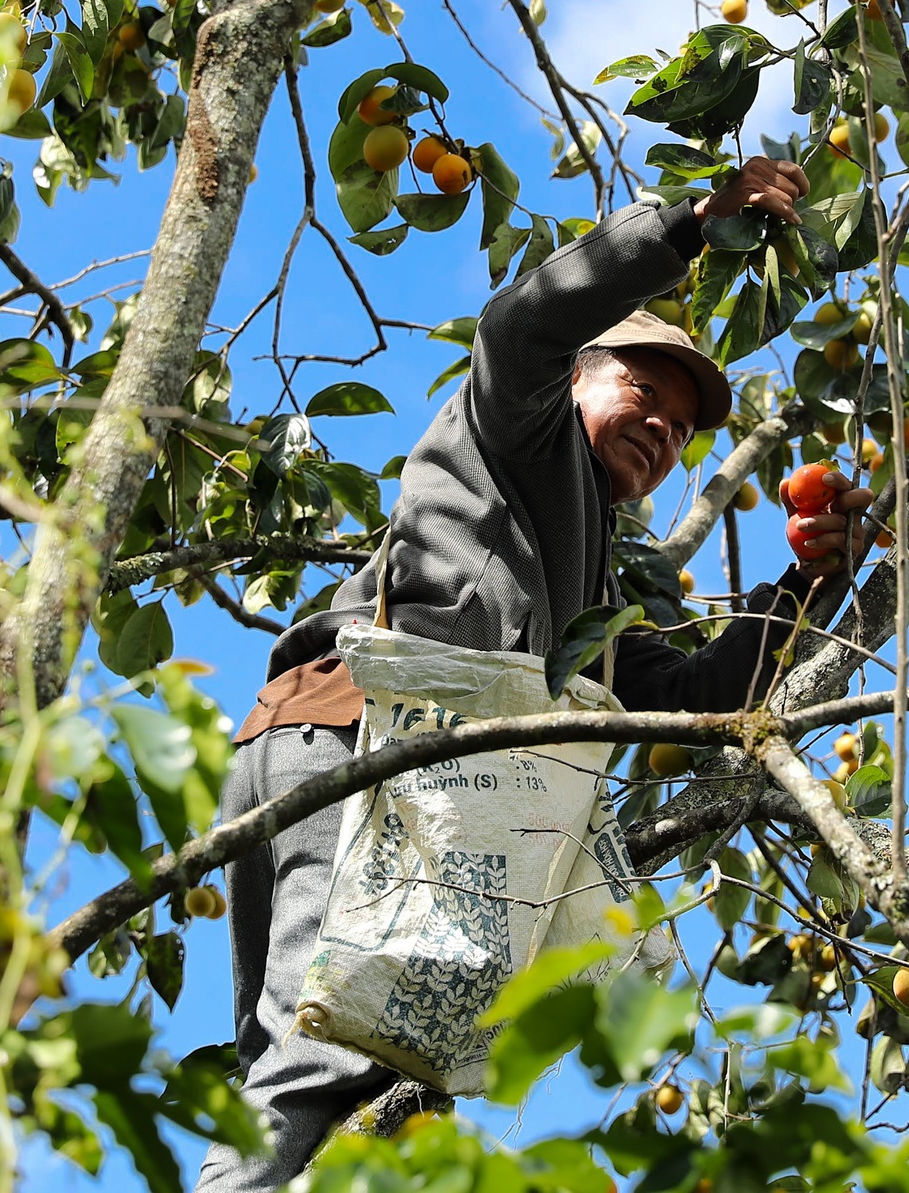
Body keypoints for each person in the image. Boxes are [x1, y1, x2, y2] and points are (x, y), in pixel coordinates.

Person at [196, 156, 872, 1190]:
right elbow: (522, 323)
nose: (661, 427)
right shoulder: (517, 425)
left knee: (361, 1072)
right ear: (577, 378)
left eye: (681, 429)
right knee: (323, 1069)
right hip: (353, 743)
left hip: (354, 761)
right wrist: (689, 224)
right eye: (644, 390)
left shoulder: (591, 577)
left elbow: (696, 694)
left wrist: (808, 584)